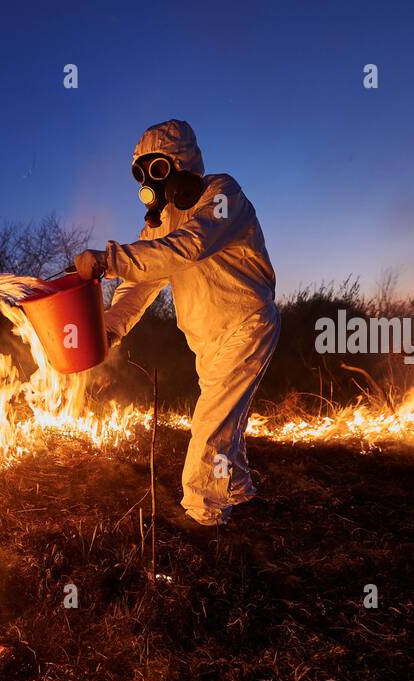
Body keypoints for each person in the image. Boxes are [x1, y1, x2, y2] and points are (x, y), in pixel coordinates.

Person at [74, 119, 278, 528]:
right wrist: (112, 326)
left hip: (246, 324)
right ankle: (237, 489)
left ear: (184, 165)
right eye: (143, 171)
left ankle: (203, 516)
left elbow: (189, 246)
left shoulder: (222, 195)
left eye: (160, 168)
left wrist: (109, 259)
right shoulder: (164, 221)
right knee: (223, 420)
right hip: (207, 336)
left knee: (211, 423)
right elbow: (143, 279)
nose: (151, 181)